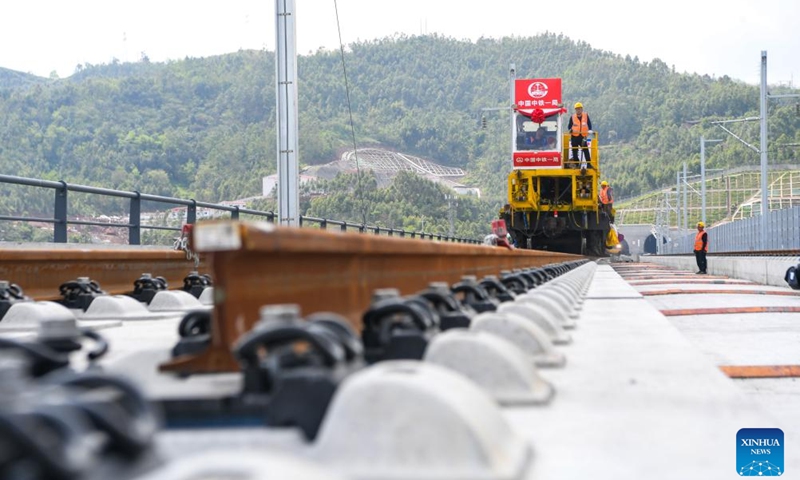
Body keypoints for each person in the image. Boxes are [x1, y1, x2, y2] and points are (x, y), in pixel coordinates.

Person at [567, 102, 592, 173]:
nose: (578, 110)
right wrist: (571, 130)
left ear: (582, 109)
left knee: (585, 150)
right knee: (575, 151)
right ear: (575, 110)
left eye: (580, 109)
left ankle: (589, 164)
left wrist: (589, 131)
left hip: (583, 136)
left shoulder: (586, 116)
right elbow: (569, 126)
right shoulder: (572, 117)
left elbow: (589, 124)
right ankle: (577, 164)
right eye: (577, 109)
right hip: (574, 137)